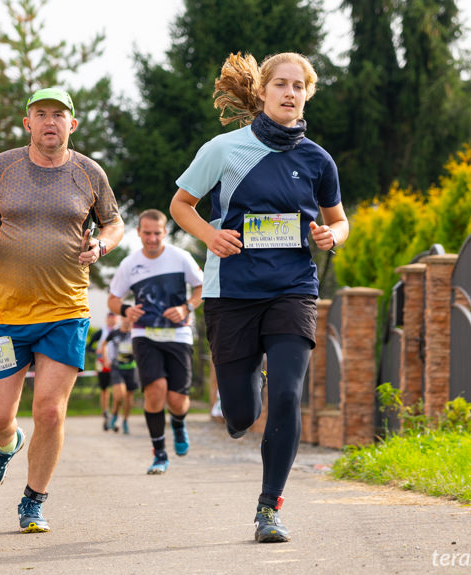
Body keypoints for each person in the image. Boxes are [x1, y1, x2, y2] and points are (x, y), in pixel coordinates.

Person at [170, 52, 349, 543]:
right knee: (241, 415)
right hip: (233, 293)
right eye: (282, 85)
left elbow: (338, 218)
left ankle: (269, 507)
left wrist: (334, 236)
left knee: (289, 396)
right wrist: (210, 235)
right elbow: (180, 205)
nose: (291, 93)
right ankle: (248, 384)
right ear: (263, 91)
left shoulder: (317, 159)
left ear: (307, 94)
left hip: (293, 289)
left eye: (300, 87)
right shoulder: (226, 149)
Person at [0, 87, 124, 533]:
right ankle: (7, 444)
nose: (49, 121)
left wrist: (102, 243)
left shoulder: (89, 173)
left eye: (58, 115)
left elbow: (113, 221)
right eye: (41, 114)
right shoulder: (3, 166)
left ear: (72, 124)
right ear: (27, 122)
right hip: (4, 315)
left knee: (50, 411)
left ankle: (33, 500)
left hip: (66, 311)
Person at [108, 209, 204, 475]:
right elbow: (113, 299)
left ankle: (178, 421)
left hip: (178, 334)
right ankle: (159, 453)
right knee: (155, 390)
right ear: (138, 232)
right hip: (144, 334)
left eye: (157, 233)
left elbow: (201, 288)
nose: (151, 239)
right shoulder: (129, 264)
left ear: (165, 232)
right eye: (146, 233)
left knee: (177, 401)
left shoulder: (181, 257)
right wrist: (126, 310)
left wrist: (186, 308)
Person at [103, 315, 140, 435]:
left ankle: (125, 421)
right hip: (117, 367)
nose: (128, 321)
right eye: (125, 318)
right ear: (121, 319)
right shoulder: (114, 333)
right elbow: (103, 344)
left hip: (131, 368)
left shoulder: (136, 333)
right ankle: (114, 415)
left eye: (130, 319)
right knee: (119, 395)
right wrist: (106, 358)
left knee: (129, 397)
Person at [95, 312, 119, 430]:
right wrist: (96, 350)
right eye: (110, 319)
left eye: (114, 319)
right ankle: (105, 411)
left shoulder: (120, 331)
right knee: (104, 390)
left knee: (117, 390)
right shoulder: (102, 331)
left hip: (116, 364)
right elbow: (88, 345)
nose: (112, 321)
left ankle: (114, 415)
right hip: (102, 364)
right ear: (106, 320)